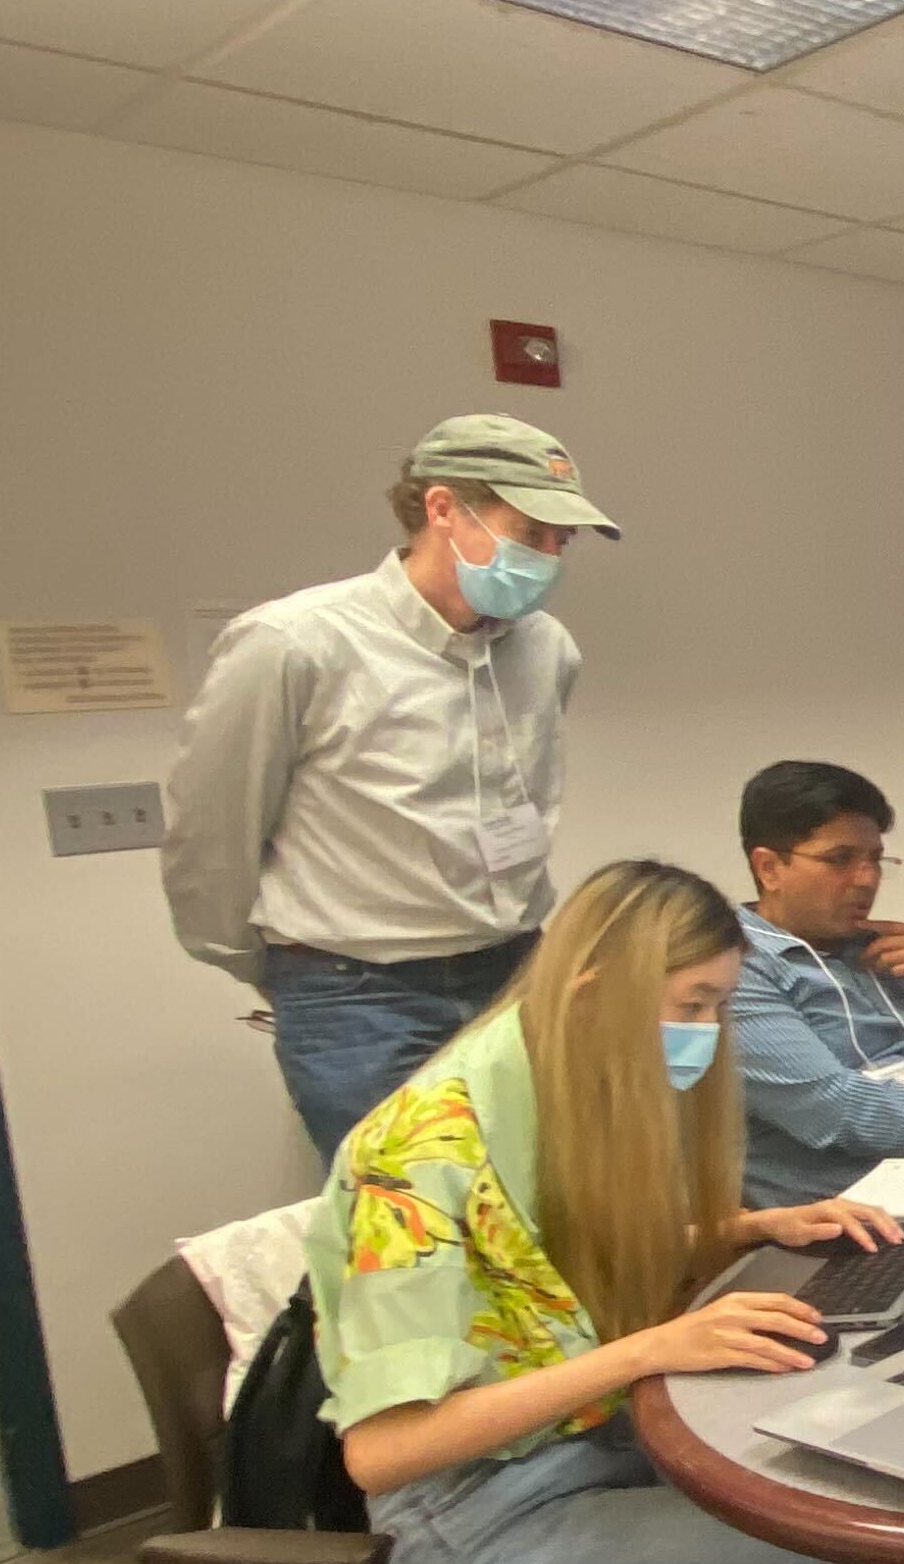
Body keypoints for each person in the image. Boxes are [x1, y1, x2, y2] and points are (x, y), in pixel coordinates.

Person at [312, 859, 904, 1564]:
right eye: (692, 1005)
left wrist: (746, 1225)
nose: (706, 1031)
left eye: (717, 1006)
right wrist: (648, 1350)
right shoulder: (422, 1150)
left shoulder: (540, 1073)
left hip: (586, 1449)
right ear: (595, 992)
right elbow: (385, 1449)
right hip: (477, 1527)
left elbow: (540, 1259)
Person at [164, 413, 618, 1161]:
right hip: (358, 994)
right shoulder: (295, 642)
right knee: (404, 1214)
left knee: (537, 1194)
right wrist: (273, 970)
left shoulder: (547, 649)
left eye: (560, 542)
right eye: (529, 532)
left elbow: (528, 801)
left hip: (513, 971)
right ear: (442, 509)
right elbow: (211, 831)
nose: (547, 558)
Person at [723, 760, 904, 1206]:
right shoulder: (734, 968)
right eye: (840, 859)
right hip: (840, 1215)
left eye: (875, 860)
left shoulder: (889, 950)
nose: (867, 880)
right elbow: (834, 1107)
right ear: (769, 868)